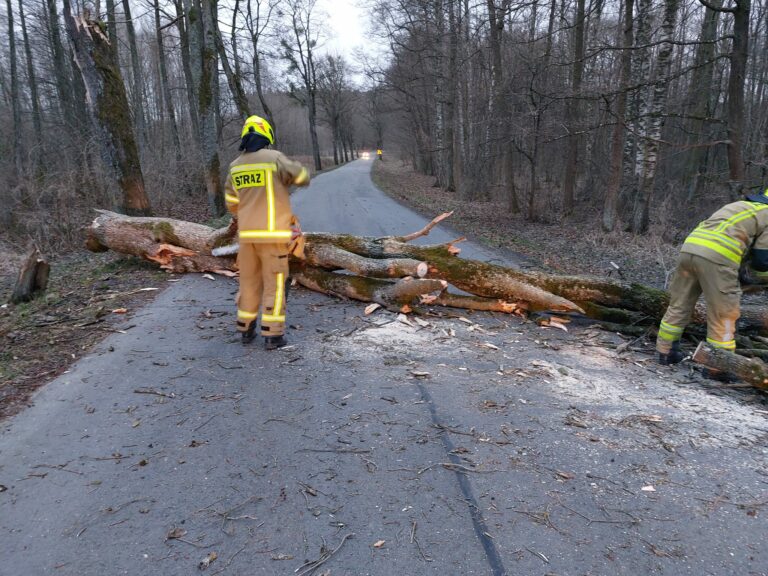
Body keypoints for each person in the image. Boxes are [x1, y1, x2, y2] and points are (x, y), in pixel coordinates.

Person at [656, 188, 768, 377]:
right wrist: (761, 278)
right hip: (719, 257)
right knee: (724, 314)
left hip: (689, 249)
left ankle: (665, 352)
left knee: (679, 304)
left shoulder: (741, 206)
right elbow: (762, 260)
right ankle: (718, 367)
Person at [225, 115, 310, 349]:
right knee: (274, 283)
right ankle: (273, 335)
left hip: (247, 236)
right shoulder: (274, 158)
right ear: (266, 135)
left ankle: (245, 328)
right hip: (273, 235)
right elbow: (301, 177)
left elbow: (232, 203)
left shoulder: (235, 166)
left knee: (249, 283)